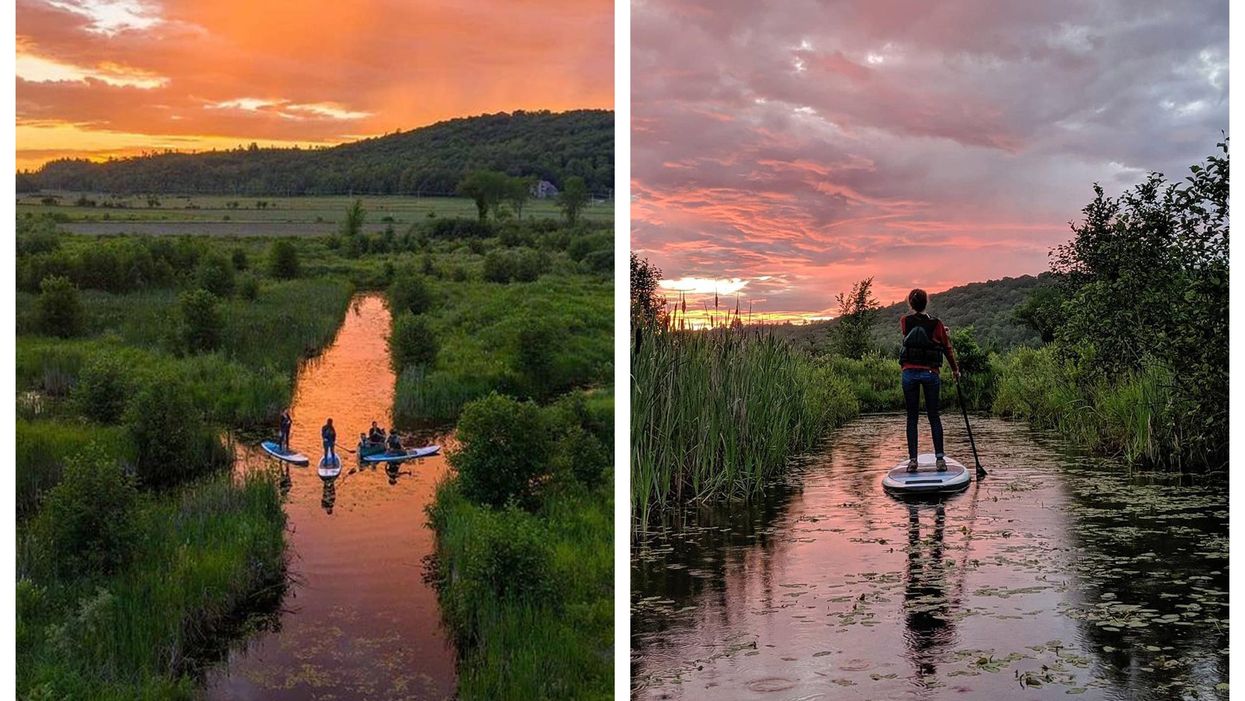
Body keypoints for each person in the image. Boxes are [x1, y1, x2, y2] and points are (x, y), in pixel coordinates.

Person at [899, 289, 960, 472]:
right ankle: (940, 460)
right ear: (927, 303)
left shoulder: (904, 321)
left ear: (910, 304)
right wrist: (955, 370)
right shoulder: (937, 324)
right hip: (930, 373)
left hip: (909, 373)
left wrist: (939, 330)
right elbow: (946, 348)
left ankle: (913, 461)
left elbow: (914, 333)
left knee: (912, 418)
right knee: (934, 416)